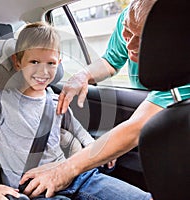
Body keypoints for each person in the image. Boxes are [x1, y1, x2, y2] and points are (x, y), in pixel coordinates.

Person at [0, 21, 151, 200]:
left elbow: (79, 132)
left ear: (59, 63)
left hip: (76, 176)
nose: (43, 71)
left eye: (51, 63)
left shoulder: (57, 100)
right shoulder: (2, 104)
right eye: (34, 62)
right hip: (33, 189)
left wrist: (99, 149)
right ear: (18, 62)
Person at [19, 0, 190, 198]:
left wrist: (64, 170)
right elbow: (111, 60)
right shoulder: (130, 17)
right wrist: (83, 75)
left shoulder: (181, 74)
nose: (129, 44)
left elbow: (135, 129)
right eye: (127, 31)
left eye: (142, 39)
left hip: (84, 177)